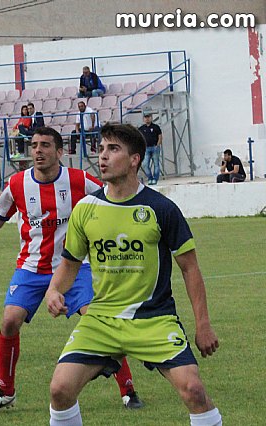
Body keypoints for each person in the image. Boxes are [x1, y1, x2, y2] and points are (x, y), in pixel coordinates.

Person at [0, 126, 143, 415]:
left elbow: (112, 199)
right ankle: (5, 392)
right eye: (34, 145)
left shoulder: (79, 180)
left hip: (74, 267)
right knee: (9, 321)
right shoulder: (17, 184)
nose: (38, 150)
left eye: (45, 145)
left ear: (60, 152)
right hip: (31, 267)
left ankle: (128, 390)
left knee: (97, 320)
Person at [45, 123, 221, 426]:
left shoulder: (161, 208)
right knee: (60, 389)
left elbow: (190, 267)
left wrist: (203, 325)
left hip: (153, 319)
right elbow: (70, 263)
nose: (102, 157)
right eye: (101, 149)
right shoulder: (86, 209)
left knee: (194, 390)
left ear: (135, 159)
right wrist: (53, 291)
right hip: (102, 319)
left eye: (113, 149)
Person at [139, 112, 163, 185]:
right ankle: (150, 178)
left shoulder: (156, 127)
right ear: (143, 119)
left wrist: (157, 145)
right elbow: (138, 137)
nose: (147, 119)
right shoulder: (141, 128)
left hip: (154, 147)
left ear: (151, 118)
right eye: (145, 117)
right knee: (145, 164)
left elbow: (160, 136)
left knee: (156, 163)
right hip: (146, 148)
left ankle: (155, 179)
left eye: (148, 117)